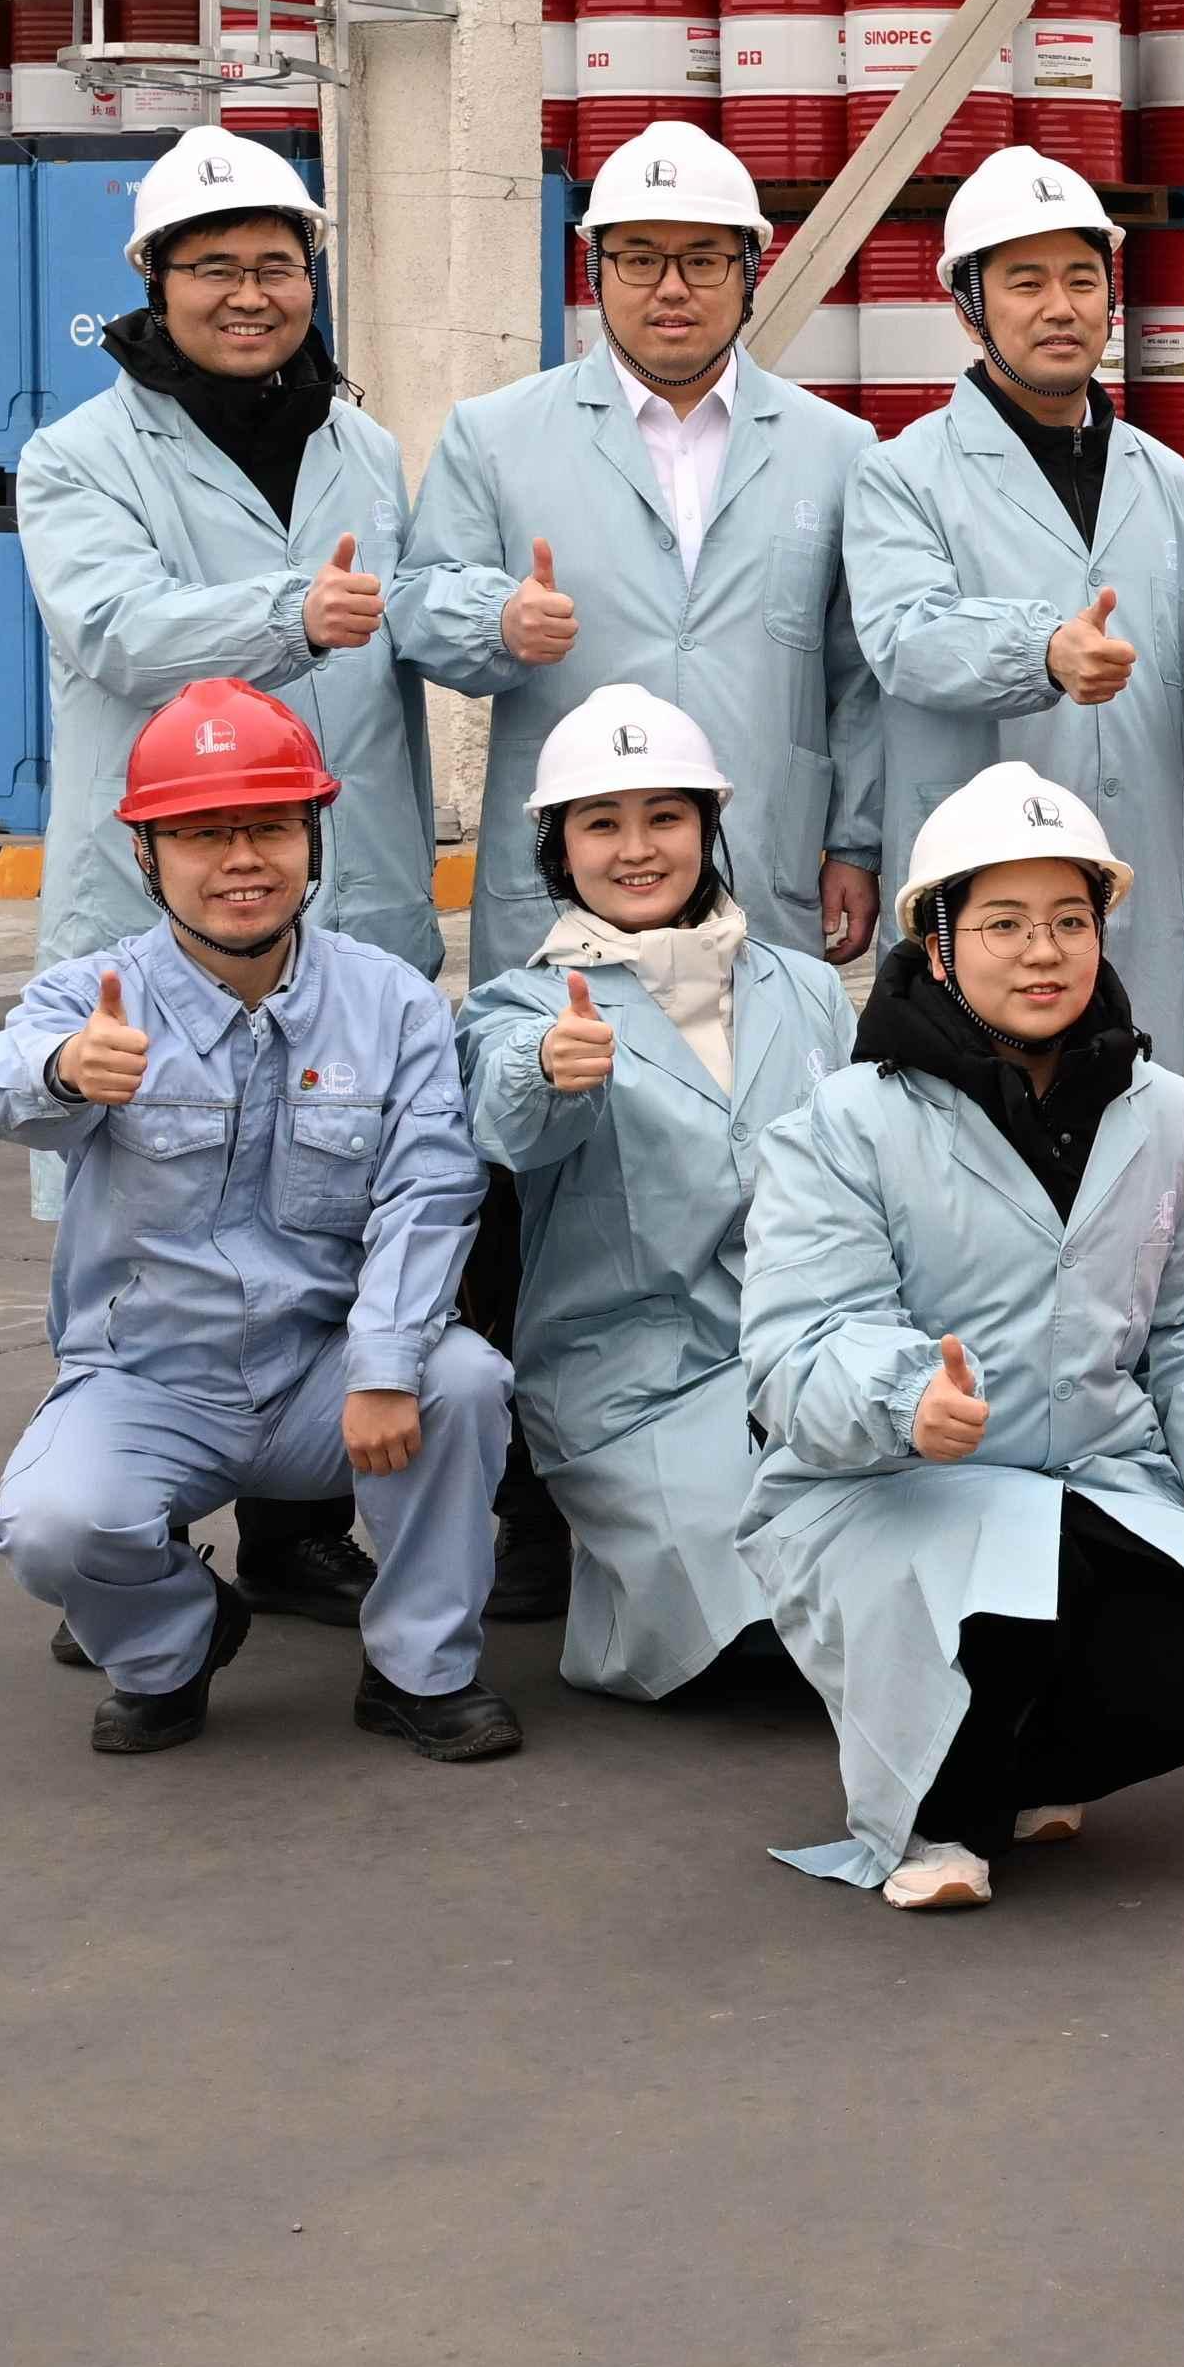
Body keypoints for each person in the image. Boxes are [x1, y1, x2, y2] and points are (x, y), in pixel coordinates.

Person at [736, 763, 1184, 1911]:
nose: (1043, 952)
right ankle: (933, 1823)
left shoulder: (1163, 1112)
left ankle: (1014, 1772)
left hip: (1096, 1474)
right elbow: (800, 1338)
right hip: (886, 1484)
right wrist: (907, 1396)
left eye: (1070, 920)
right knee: (1002, 1588)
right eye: (1002, 923)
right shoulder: (845, 1125)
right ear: (939, 944)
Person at [13, 121, 426, 1631]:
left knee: (327, 1210)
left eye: (276, 265)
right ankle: (124, 1539)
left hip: (346, 896)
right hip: (158, 917)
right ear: (153, 280)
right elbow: (117, 630)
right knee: (146, 1228)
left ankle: (302, 1528)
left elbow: (399, 622)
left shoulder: (362, 443)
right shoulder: (76, 458)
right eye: (214, 268)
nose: (250, 294)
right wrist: (292, 613)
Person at [0, 678, 520, 1763]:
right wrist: (67, 1071)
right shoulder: (94, 996)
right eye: (203, 835)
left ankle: (418, 1669)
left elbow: (427, 1187)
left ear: (313, 838)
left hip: (324, 1373)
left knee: (463, 1384)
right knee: (52, 1526)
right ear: (147, 856)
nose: (242, 861)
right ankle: (175, 1641)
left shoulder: (391, 1001)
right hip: (150, 1377)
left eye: (269, 827)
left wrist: (386, 1362)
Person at [397, 118, 886, 980]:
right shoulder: (498, 435)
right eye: (638, 258)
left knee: (761, 1098)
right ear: (595, 268)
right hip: (567, 881)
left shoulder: (836, 448)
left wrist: (854, 841)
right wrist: (497, 620)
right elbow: (418, 603)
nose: (672, 288)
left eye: (704, 259)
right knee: (559, 1091)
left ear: (747, 271)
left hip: (754, 863)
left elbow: (858, 676)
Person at [452, 683, 853, 1703]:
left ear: (708, 829)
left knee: (902, 1552)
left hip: (807, 1351)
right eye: (602, 824)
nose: (637, 849)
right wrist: (547, 1064)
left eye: (666, 818)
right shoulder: (526, 1002)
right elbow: (508, 1115)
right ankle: (618, 1586)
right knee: (759, 1608)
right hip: (630, 1377)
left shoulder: (803, 988)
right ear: (560, 849)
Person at [844, 146, 1184, 1063]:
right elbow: (906, 637)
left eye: (1082, 278)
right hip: (980, 886)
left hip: (1140, 868)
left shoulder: (1171, 481)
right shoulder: (901, 476)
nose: (1060, 307)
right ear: (969, 304)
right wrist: (1042, 653)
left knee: (1139, 1151)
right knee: (972, 1149)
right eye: (1025, 281)